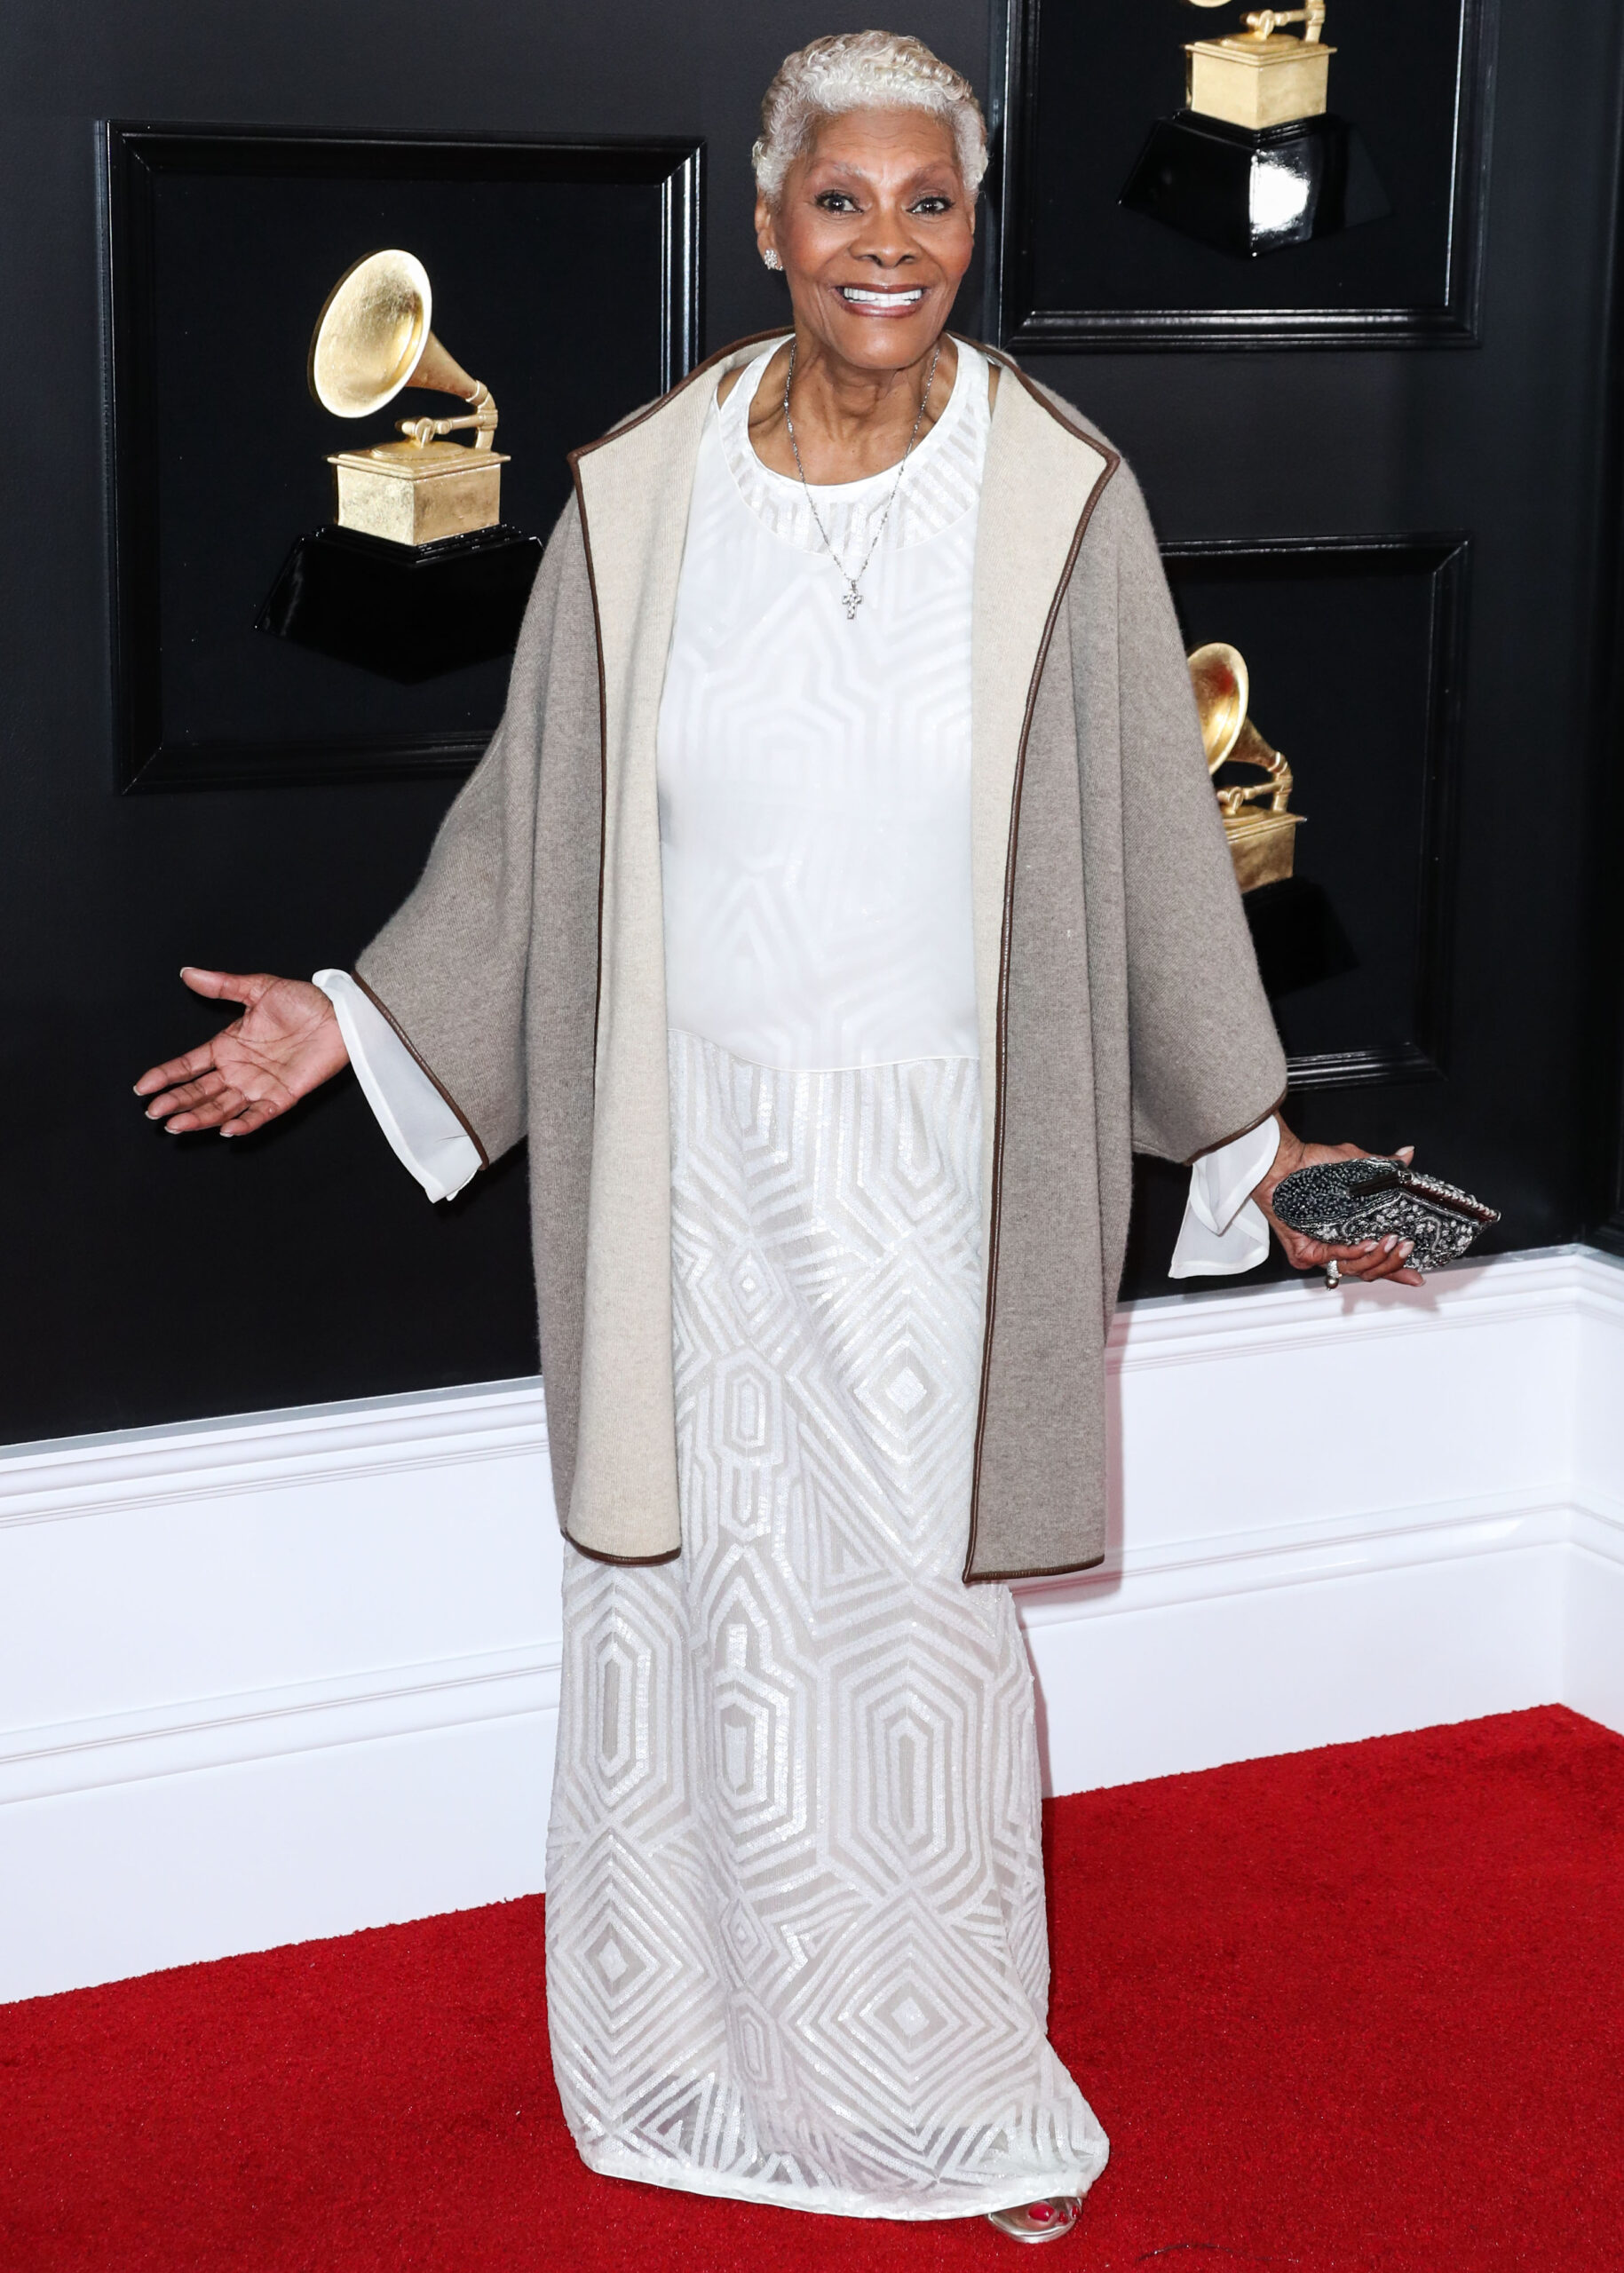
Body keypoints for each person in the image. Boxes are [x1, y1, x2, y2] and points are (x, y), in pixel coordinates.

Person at [134, 32, 1422, 2241]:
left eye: (932, 203)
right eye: (845, 201)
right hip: (693, 1175)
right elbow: (530, 820)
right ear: (767, 220)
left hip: (942, 1178)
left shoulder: (1061, 499)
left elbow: (1145, 845)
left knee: (911, 1645)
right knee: (699, 1612)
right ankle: (683, 2059)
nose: (889, 244)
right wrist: (358, 1017)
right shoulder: (640, 493)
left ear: (971, 223)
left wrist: (1264, 1140)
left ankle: (939, 2098)